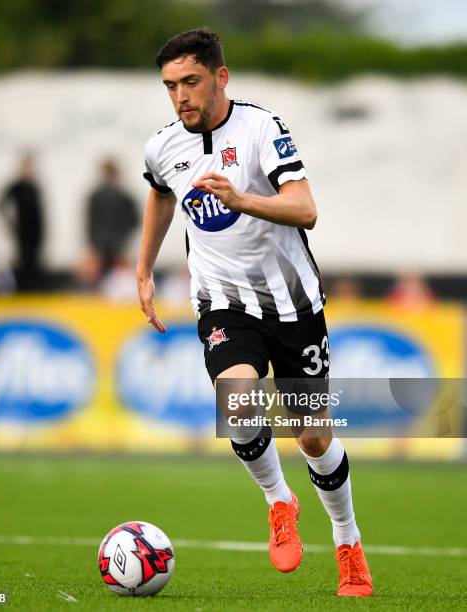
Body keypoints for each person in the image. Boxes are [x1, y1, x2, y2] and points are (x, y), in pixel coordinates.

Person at [136, 29, 372, 597]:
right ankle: (279, 501)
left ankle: (347, 540)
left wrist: (242, 199)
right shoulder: (163, 145)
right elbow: (161, 193)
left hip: (293, 305)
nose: (180, 97)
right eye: (170, 86)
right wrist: (143, 269)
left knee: (312, 438)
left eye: (190, 82)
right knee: (237, 401)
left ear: (221, 77)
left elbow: (306, 209)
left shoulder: (263, 128)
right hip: (222, 303)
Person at [0, 154, 45, 291]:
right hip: (21, 233)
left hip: (35, 234)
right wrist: (10, 223)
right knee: (21, 264)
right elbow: (0, 204)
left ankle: (31, 292)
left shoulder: (35, 187)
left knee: (33, 264)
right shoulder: (16, 187)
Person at [86, 159, 139, 275]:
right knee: (118, 278)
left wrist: (93, 246)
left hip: (102, 246)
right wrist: (123, 240)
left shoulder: (95, 196)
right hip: (118, 245)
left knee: (102, 280)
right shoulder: (124, 196)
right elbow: (134, 221)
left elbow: (91, 224)